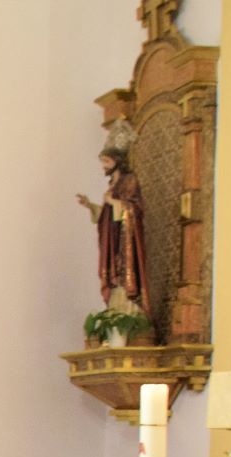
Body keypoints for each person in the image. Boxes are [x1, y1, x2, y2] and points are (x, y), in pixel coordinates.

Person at [76, 118, 150, 319]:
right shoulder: (112, 185)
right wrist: (91, 206)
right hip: (112, 240)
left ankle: (129, 306)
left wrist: (114, 202)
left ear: (117, 162)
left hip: (125, 241)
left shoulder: (129, 180)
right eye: (102, 162)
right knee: (113, 277)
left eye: (106, 162)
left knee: (123, 275)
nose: (103, 166)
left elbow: (134, 209)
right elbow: (107, 218)